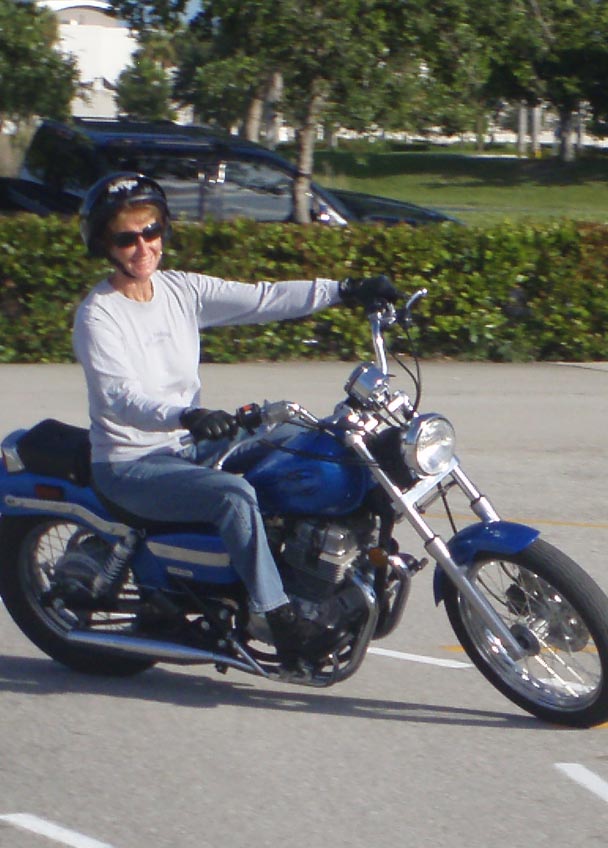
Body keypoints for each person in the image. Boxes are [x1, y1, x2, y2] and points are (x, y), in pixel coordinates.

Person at [72, 171, 394, 675]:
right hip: (131, 463)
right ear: (104, 245)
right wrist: (185, 414)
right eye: (126, 238)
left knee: (307, 442)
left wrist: (344, 290)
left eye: (151, 231)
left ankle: (330, 559)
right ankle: (278, 616)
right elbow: (120, 398)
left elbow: (263, 298)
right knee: (234, 496)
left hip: (187, 443)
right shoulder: (98, 315)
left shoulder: (179, 289)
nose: (142, 247)